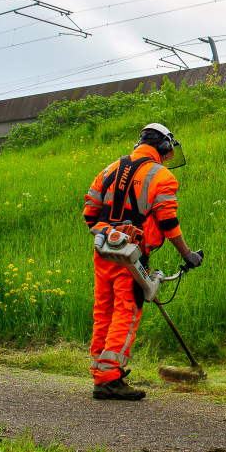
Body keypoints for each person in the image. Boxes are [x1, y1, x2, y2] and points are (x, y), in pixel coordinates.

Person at [82, 123, 203, 400]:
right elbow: (168, 222)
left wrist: (109, 231)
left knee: (104, 310)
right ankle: (110, 378)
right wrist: (187, 255)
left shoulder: (110, 169)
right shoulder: (162, 176)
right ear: (164, 147)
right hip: (132, 253)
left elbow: (90, 214)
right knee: (127, 310)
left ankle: (101, 371)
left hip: (104, 250)